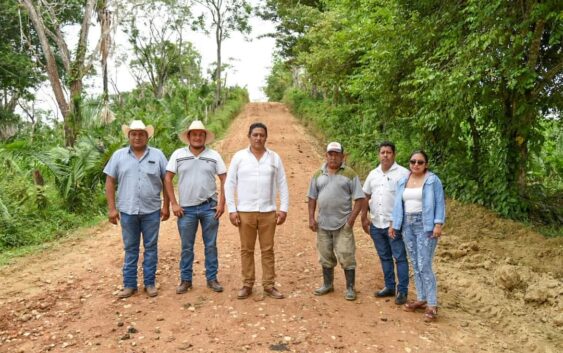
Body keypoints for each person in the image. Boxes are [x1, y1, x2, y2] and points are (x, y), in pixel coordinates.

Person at [104, 120, 170, 298]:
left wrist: (166, 206)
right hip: (127, 210)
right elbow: (110, 181)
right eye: (134, 134)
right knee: (131, 248)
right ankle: (129, 284)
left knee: (151, 247)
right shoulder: (118, 156)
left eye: (141, 134)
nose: (137, 137)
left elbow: (166, 180)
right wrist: (112, 208)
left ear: (147, 136)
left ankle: (149, 283)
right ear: (129, 136)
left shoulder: (158, 155)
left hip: (152, 211)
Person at [225, 122, 289, 300]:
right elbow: (229, 184)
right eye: (255, 135)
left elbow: (282, 183)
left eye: (262, 135)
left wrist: (283, 208)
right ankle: (247, 284)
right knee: (247, 250)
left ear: (266, 137)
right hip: (245, 212)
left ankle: (269, 285)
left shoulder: (274, 158)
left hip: (268, 212)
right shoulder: (239, 157)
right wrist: (232, 209)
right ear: (249, 137)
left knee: (268, 250)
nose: (258, 138)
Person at [164, 120, 227, 294]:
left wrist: (221, 203)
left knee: (211, 245)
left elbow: (224, 179)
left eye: (201, 134)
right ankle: (186, 280)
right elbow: (167, 178)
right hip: (186, 210)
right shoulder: (178, 154)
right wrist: (174, 204)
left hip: (209, 207)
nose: (198, 137)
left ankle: (212, 279)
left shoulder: (214, 155)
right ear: (189, 137)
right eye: (194, 134)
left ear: (205, 137)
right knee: (186, 246)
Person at [390, 150, 445, 322]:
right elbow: (398, 204)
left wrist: (438, 224)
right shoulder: (403, 181)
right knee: (414, 262)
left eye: (420, 162)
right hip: (407, 224)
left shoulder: (432, 180)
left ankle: (432, 304)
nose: (416, 165)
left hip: (425, 225)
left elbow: (440, 202)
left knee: (425, 264)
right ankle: (421, 299)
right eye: (413, 161)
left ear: (426, 164)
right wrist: (394, 224)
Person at [308, 142, 365, 301]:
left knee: (347, 255)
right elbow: (312, 197)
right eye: (330, 154)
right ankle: (327, 284)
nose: (333, 157)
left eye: (336, 154)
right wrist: (311, 218)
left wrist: (350, 221)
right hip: (323, 224)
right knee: (325, 254)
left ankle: (350, 288)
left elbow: (359, 199)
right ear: (326, 155)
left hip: (342, 224)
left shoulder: (350, 174)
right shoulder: (318, 174)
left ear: (342, 156)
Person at [361, 141, 410, 305]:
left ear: (394, 155)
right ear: (379, 155)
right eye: (382, 152)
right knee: (384, 257)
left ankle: (402, 291)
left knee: (400, 257)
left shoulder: (403, 173)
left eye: (388, 152)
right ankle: (389, 286)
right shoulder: (373, 174)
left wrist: (399, 222)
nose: (385, 155)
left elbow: (407, 199)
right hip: (376, 222)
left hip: (394, 225)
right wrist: (363, 217)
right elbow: (365, 196)